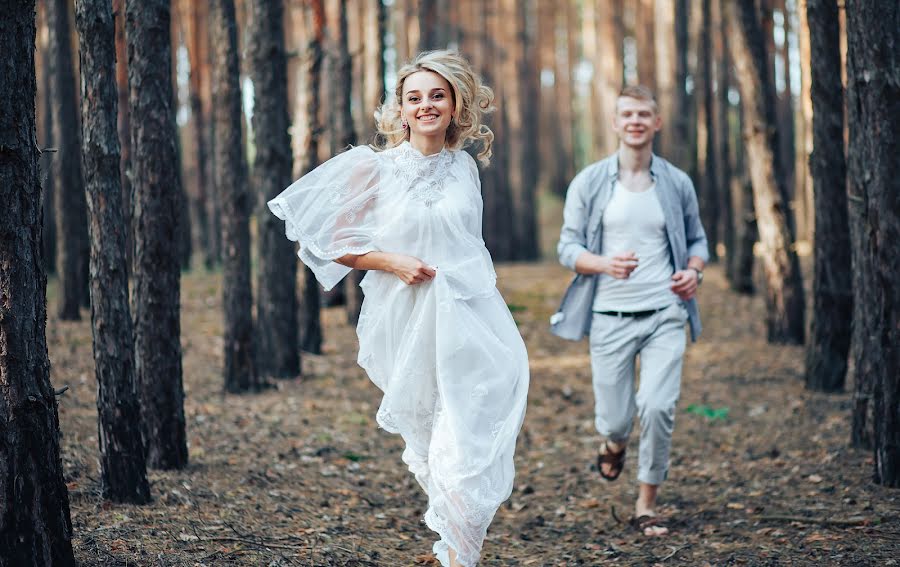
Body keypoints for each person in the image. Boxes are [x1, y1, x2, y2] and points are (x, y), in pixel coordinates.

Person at [268, 50, 529, 567]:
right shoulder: (373, 168)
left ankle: (459, 557)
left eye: (437, 95)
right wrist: (391, 262)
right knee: (436, 442)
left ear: (456, 105)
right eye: (415, 98)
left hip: (472, 318)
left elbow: (470, 247)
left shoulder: (465, 168)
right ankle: (456, 548)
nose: (426, 105)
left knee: (470, 438)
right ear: (401, 110)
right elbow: (328, 242)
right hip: (407, 320)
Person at [551, 85, 709, 536]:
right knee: (616, 418)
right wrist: (604, 264)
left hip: (665, 313)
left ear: (656, 123)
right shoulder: (590, 182)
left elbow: (697, 241)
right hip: (609, 317)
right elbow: (567, 247)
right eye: (627, 114)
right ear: (616, 123)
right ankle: (615, 442)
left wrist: (694, 272)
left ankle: (646, 502)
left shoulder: (676, 183)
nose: (636, 121)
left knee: (658, 407)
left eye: (644, 114)